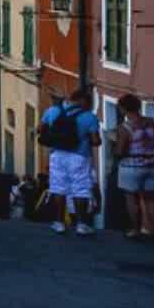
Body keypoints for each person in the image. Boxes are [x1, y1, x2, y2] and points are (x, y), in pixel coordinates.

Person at [39, 88, 102, 235]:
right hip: (79, 157)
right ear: (83, 101)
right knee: (80, 188)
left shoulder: (53, 111)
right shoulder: (89, 117)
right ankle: (81, 224)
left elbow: (41, 130)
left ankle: (59, 222)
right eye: (90, 102)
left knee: (58, 188)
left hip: (57, 154)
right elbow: (95, 141)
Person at [110, 94, 154, 241]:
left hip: (132, 166)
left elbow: (120, 151)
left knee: (132, 198)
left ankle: (136, 230)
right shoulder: (153, 122)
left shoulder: (124, 128)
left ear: (123, 109)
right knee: (150, 198)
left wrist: (113, 143)